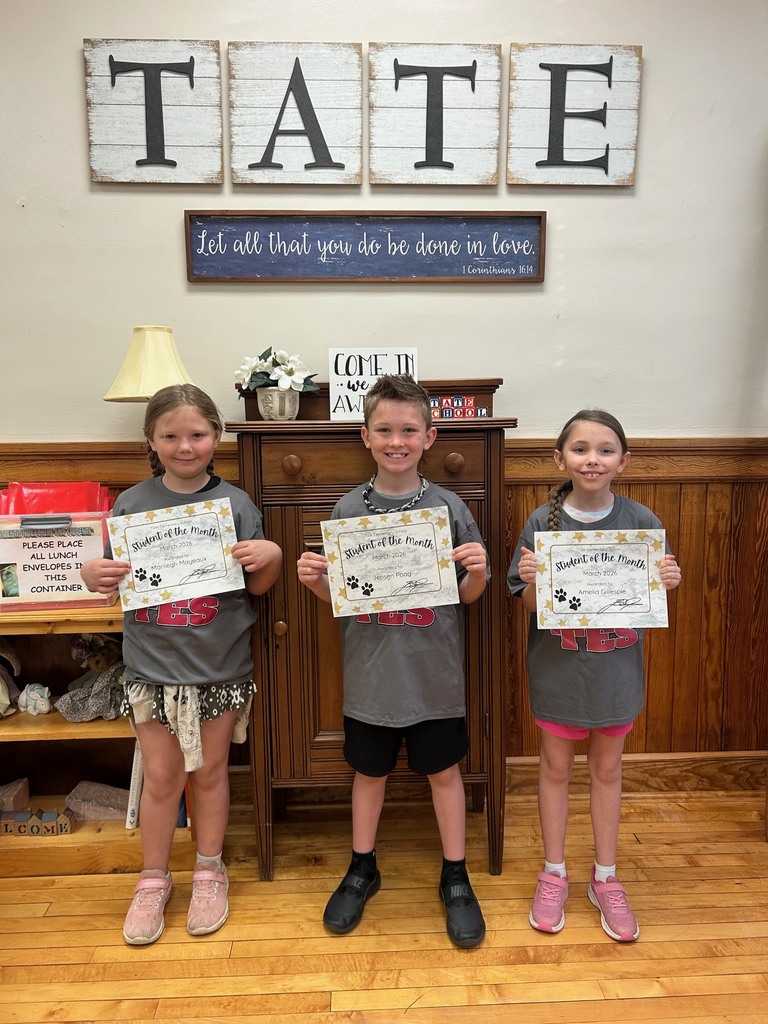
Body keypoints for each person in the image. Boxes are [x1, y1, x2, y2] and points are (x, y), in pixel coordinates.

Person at [81, 384, 282, 946]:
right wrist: (89, 574)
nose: (185, 446)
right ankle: (152, 878)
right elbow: (109, 583)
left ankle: (210, 868)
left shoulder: (237, 505)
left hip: (218, 666)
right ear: (151, 439)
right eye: (171, 436)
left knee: (211, 773)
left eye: (196, 434)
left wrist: (271, 557)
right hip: (152, 669)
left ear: (217, 436)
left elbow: (259, 585)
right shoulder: (130, 505)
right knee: (163, 777)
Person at [296, 374, 489, 948]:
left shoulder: (449, 506)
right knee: (369, 772)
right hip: (372, 676)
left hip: (433, 677)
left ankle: (455, 874)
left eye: (409, 430)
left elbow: (469, 595)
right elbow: (343, 599)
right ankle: (362, 866)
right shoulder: (346, 507)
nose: (396, 440)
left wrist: (477, 570)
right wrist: (314, 584)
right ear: (365, 436)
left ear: (430, 437)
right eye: (384, 429)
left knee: (444, 772)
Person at [507, 409, 681, 942]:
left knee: (608, 772)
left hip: (616, 673)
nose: (593, 458)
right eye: (580, 449)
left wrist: (667, 581)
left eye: (605, 449)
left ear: (623, 462)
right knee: (554, 769)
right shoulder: (541, 523)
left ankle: (605, 876)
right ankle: (554, 870)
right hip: (559, 671)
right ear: (559, 458)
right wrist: (533, 577)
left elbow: (649, 599)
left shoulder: (642, 522)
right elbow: (529, 605)